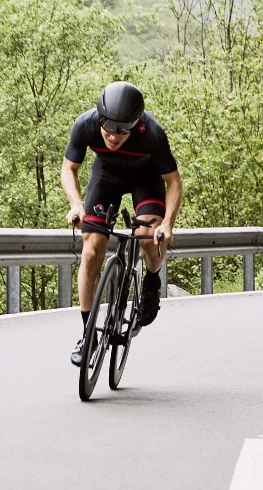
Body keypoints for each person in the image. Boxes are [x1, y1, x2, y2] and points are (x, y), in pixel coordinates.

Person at [61, 81, 182, 366]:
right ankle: (87, 335)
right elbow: (69, 167)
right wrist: (76, 204)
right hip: (106, 176)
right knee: (91, 251)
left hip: (145, 179)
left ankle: (152, 280)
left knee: (146, 236)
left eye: (122, 131)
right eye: (108, 129)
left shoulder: (152, 133)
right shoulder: (85, 125)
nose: (113, 137)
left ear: (136, 124)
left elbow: (174, 182)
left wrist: (167, 224)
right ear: (99, 118)